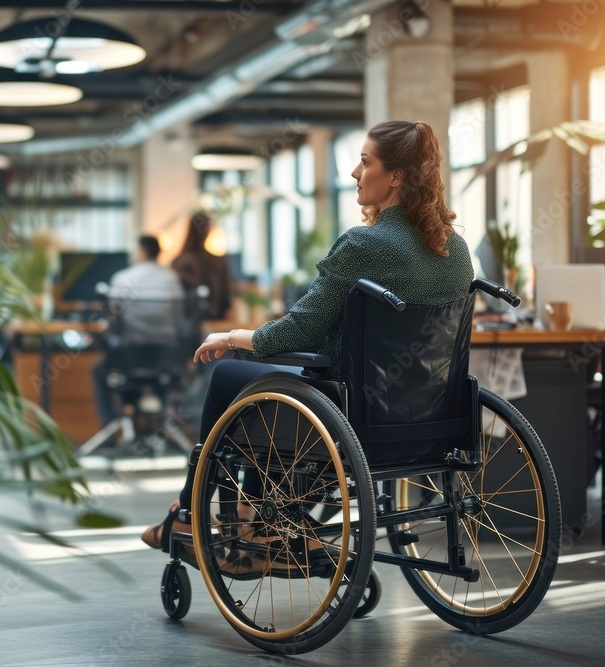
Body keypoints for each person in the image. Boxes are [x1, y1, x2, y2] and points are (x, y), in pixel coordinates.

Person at [141, 120, 475, 555]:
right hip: (432, 422)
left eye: (364, 161)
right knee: (279, 384)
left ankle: (190, 514)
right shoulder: (456, 250)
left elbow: (301, 329)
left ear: (395, 177)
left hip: (354, 418)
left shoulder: (364, 244)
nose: (354, 173)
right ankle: (257, 515)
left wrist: (231, 335)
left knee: (230, 376)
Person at [92, 234, 184, 426]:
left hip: (129, 358)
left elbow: (114, 321)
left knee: (100, 371)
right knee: (157, 376)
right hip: (166, 358)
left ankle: (113, 426)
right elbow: (179, 318)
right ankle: (159, 423)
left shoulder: (122, 279)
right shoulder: (172, 279)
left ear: (142, 252)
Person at [172, 211, 233, 320]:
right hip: (213, 320)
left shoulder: (178, 261)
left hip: (186, 321)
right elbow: (225, 298)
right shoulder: (216, 261)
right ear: (207, 230)